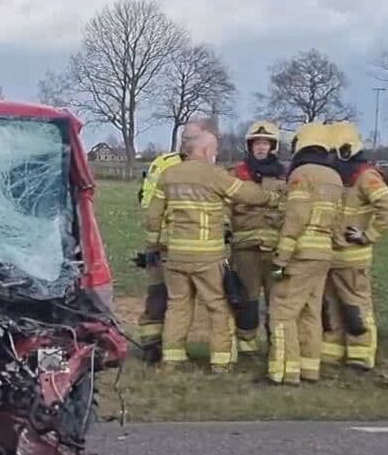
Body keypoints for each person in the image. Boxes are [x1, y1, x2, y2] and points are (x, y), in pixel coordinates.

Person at [143, 125, 275, 372]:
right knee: (218, 305)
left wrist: (155, 246)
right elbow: (245, 193)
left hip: (175, 256)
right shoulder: (213, 174)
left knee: (178, 305)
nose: (215, 153)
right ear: (204, 150)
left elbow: (153, 217)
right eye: (214, 149)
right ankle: (221, 361)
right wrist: (273, 198)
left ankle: (172, 358)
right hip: (207, 256)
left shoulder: (168, 176)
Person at [267, 123, 348, 384]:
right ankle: (310, 368)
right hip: (323, 253)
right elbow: (339, 220)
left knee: (282, 312)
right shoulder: (335, 177)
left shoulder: (302, 174)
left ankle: (283, 371)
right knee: (311, 311)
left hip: (301, 252)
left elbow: (296, 217)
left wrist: (281, 259)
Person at [323, 120, 388, 370]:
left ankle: (361, 354)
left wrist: (369, 235)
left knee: (355, 306)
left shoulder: (365, 177)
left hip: (353, 256)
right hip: (330, 256)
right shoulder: (335, 178)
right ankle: (331, 353)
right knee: (331, 307)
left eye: (335, 152)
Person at [227, 121, 289, 356]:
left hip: (276, 251)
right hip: (246, 249)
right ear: (250, 146)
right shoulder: (237, 174)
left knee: (278, 301)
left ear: (273, 147)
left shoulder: (286, 176)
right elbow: (226, 205)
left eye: (266, 143)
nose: (261, 148)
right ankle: (246, 346)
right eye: (257, 143)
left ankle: (277, 346)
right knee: (247, 299)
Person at [135, 149, 184, 363]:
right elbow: (149, 200)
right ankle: (152, 345)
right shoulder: (165, 164)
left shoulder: (202, 164)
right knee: (160, 293)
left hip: (176, 241)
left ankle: (164, 346)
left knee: (170, 296)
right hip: (165, 242)